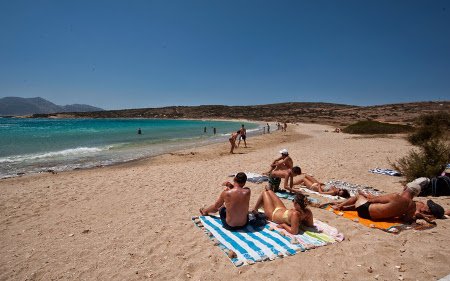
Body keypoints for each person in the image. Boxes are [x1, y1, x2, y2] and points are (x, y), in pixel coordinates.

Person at [326, 181, 445, 223]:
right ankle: (346, 207)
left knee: (358, 196)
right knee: (370, 203)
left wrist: (365, 195)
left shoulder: (395, 196)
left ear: (405, 188)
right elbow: (405, 219)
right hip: (378, 218)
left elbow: (372, 200)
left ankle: (340, 206)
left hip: (365, 212)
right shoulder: (412, 207)